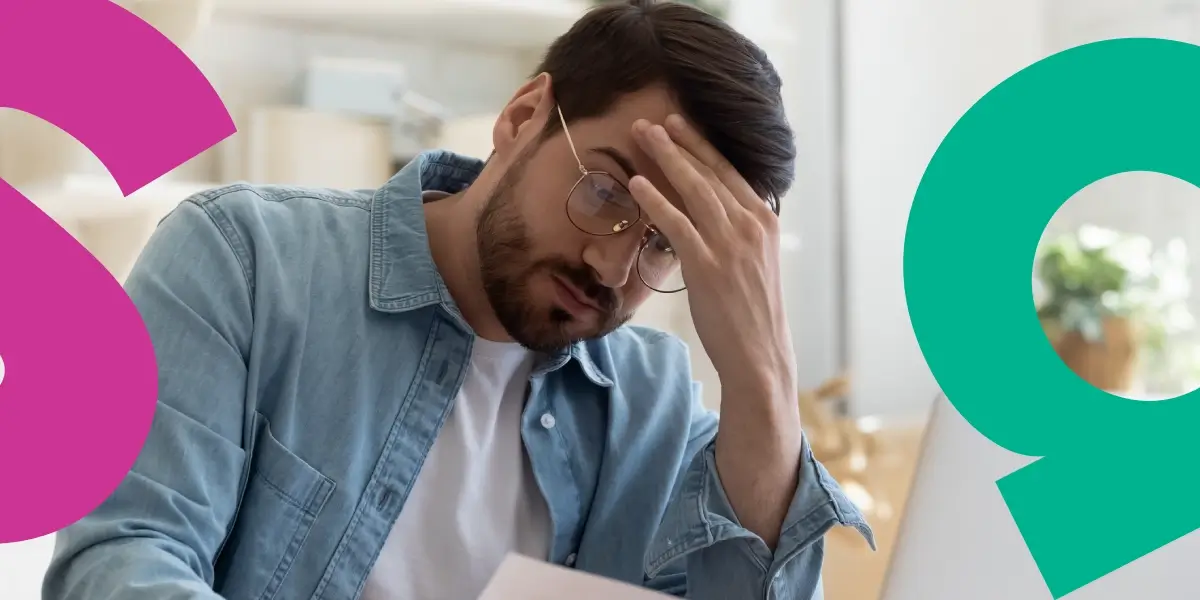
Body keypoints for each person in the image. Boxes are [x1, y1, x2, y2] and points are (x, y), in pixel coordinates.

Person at [44, 1, 872, 598]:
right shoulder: (248, 263)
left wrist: (763, 383)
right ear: (522, 116)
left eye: (663, 240)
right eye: (607, 190)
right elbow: (121, 559)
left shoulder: (651, 400)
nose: (611, 263)